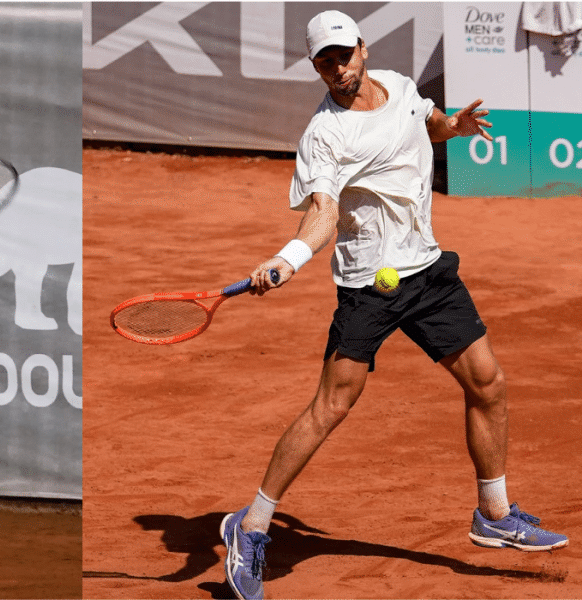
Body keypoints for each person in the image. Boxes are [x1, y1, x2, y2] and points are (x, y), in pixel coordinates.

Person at [219, 10, 568, 600]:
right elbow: (325, 212)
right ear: (316, 67)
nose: (337, 68)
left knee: (488, 382)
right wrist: (288, 259)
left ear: (362, 47)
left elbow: (425, 125)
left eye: (343, 55)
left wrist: (454, 125)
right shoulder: (324, 134)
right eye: (324, 62)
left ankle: (493, 512)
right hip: (368, 287)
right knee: (331, 406)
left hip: (428, 271)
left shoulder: (402, 87)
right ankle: (250, 524)